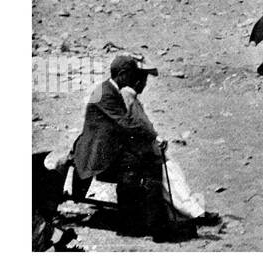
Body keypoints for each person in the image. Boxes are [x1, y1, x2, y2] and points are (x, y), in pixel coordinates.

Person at [69, 54, 196, 241]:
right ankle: (144, 224)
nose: (134, 79)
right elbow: (125, 123)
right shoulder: (105, 93)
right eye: (131, 74)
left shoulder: (111, 90)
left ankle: (149, 219)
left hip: (105, 146)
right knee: (139, 166)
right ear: (121, 74)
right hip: (96, 151)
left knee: (143, 160)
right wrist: (153, 137)